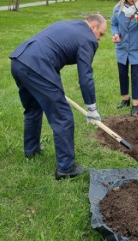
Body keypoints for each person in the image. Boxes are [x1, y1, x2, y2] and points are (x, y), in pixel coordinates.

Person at [10, 14, 107, 180]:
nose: (99, 39)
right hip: (38, 66)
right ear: (93, 27)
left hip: (19, 61)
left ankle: (31, 150)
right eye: (101, 34)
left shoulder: (70, 24)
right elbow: (85, 77)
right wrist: (91, 107)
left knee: (33, 108)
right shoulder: (88, 39)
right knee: (63, 117)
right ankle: (65, 168)